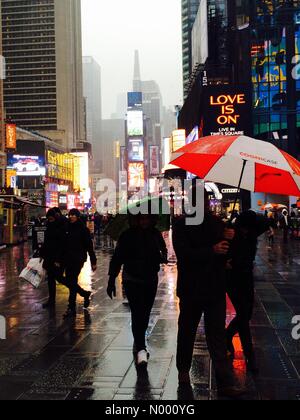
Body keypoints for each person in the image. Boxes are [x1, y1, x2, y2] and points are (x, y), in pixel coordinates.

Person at [172, 192, 244, 398]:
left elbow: (228, 255)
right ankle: (183, 371)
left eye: (204, 199)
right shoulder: (181, 225)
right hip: (191, 289)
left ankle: (225, 382)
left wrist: (231, 238)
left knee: (217, 336)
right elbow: (184, 254)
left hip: (215, 288)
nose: (202, 204)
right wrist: (211, 250)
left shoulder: (217, 223)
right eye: (197, 200)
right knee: (186, 332)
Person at [107, 214, 168, 367]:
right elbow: (117, 257)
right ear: (135, 220)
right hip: (132, 278)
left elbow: (163, 250)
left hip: (150, 279)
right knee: (137, 312)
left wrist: (162, 256)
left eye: (147, 218)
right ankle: (141, 347)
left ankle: (139, 340)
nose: (144, 222)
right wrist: (111, 279)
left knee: (146, 312)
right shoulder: (127, 235)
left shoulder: (155, 234)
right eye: (141, 219)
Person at [226, 211, 270, 373]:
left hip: (246, 278)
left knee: (247, 314)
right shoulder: (230, 234)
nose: (246, 231)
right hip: (232, 279)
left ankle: (227, 335)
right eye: (243, 228)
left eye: (249, 228)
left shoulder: (251, 234)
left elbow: (266, 222)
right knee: (243, 316)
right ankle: (250, 357)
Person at [61, 209, 97, 318]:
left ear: (77, 216)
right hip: (67, 258)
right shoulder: (66, 227)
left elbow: (89, 246)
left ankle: (71, 307)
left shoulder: (83, 229)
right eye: (70, 215)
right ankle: (84, 294)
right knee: (69, 280)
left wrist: (93, 261)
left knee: (72, 280)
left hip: (78, 259)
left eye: (73, 215)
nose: (71, 217)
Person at [40, 209, 65, 308]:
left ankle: (81, 291)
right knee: (50, 279)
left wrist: (58, 260)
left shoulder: (61, 226)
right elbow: (47, 242)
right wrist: (42, 252)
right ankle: (51, 300)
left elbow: (62, 244)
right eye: (48, 219)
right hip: (49, 257)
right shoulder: (49, 225)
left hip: (57, 258)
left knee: (60, 279)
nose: (50, 220)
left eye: (51, 218)